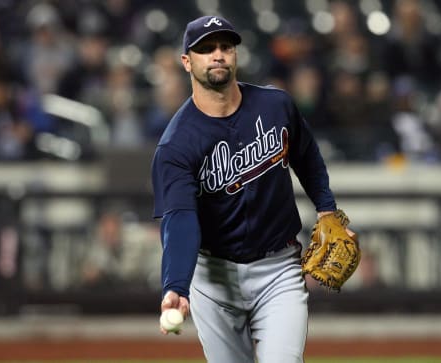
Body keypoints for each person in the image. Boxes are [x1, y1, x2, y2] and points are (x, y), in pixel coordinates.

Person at [151, 15, 353, 363]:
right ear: (187, 62)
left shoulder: (276, 106)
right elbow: (180, 220)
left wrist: (326, 208)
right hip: (213, 278)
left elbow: (308, 157)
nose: (217, 55)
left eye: (225, 47)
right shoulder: (176, 146)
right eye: (205, 49)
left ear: (235, 55)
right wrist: (176, 285)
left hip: (279, 270)